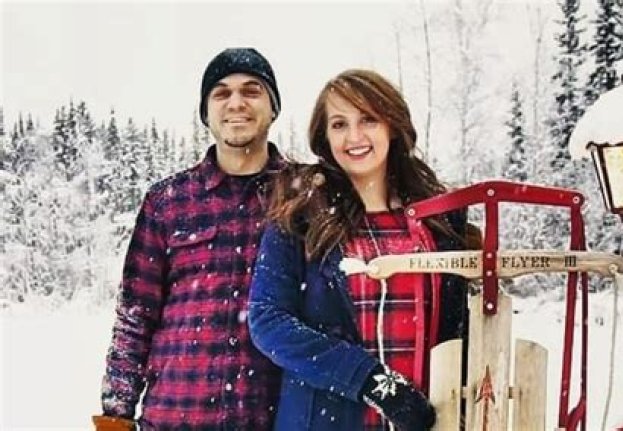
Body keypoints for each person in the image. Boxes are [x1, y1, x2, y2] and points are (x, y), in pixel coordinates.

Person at [248, 69, 471, 431]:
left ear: (392, 126)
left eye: (368, 119)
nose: (354, 136)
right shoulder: (301, 214)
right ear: (324, 137)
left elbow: (458, 327)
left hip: (428, 420)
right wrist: (371, 381)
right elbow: (267, 320)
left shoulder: (438, 220)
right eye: (339, 124)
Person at [93, 47, 285, 430]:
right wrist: (115, 418)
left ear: (273, 108)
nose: (236, 103)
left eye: (251, 90)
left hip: (275, 419)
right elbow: (135, 318)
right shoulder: (167, 201)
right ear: (205, 113)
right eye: (221, 93)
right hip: (174, 417)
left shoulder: (306, 196)